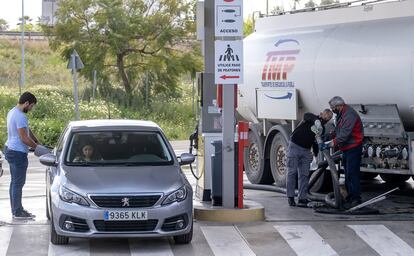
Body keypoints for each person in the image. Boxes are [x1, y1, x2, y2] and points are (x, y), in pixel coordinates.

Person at [286, 109, 333, 207]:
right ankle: (290, 197)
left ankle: (302, 198)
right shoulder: (310, 119)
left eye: (329, 118)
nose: (327, 119)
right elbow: (306, 115)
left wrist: (316, 155)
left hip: (306, 150)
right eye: (326, 116)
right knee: (292, 172)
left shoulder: (322, 129)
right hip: (294, 146)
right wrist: (316, 121)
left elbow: (315, 141)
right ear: (321, 114)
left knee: (304, 175)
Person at [324, 96, 364, 209]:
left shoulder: (349, 115)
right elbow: (338, 131)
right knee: (347, 174)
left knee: (352, 173)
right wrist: (328, 136)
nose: (332, 110)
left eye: (333, 108)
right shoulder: (341, 114)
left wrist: (330, 143)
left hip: (353, 147)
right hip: (347, 148)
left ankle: (355, 199)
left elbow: (344, 135)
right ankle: (349, 198)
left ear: (339, 105)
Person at [4, 92, 39, 220]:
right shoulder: (20, 116)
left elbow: (26, 130)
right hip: (17, 152)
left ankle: (16, 209)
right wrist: (38, 148)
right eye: (31, 106)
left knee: (14, 183)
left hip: (10, 148)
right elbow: (24, 138)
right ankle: (17, 212)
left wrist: (36, 140)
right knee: (18, 183)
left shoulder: (12, 111)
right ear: (26, 103)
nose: (31, 108)